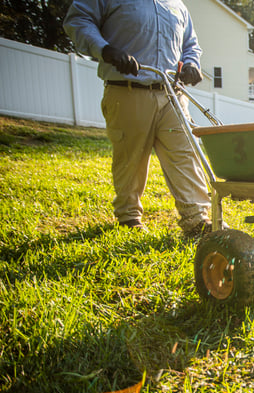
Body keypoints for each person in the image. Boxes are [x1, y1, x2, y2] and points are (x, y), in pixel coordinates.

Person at [64, 0, 213, 237]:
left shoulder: (176, 5)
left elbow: (190, 44)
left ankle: (196, 219)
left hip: (172, 93)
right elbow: (79, 20)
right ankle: (129, 216)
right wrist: (105, 49)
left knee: (186, 153)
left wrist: (193, 63)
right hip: (127, 90)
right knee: (130, 156)